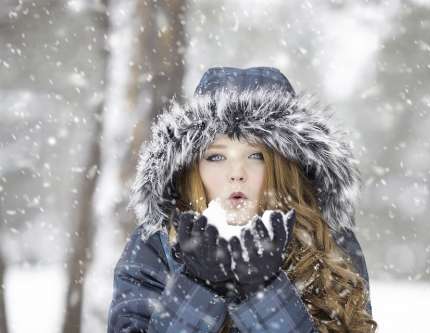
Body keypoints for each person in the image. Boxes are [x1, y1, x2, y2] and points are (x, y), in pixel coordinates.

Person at [107, 66, 378, 332]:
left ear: (284, 168)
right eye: (216, 156)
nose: (236, 174)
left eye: (256, 156)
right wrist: (198, 287)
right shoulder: (157, 243)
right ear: (192, 168)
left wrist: (265, 292)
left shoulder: (328, 241)